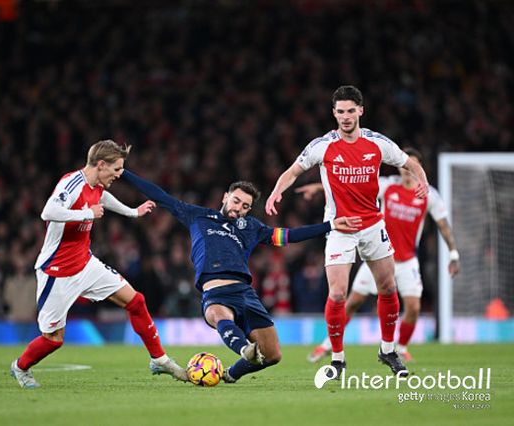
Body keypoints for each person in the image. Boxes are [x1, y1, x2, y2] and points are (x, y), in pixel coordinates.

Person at [121, 168, 361, 383]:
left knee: (273, 354)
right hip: (216, 291)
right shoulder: (198, 216)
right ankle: (244, 349)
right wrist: (124, 173)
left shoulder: (252, 227)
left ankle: (231, 374)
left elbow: (288, 236)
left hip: (246, 294)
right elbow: (160, 196)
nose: (239, 209)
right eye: (236, 201)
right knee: (217, 314)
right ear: (225, 197)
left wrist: (329, 225)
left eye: (245, 206)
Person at [265, 85, 429, 379]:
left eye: (351, 110)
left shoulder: (377, 143)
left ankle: (388, 350)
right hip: (340, 227)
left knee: (388, 287)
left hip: (373, 225)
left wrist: (423, 182)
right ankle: (338, 359)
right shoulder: (323, 145)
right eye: (340, 111)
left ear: (360, 111)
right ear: (334, 113)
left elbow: (410, 163)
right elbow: (293, 171)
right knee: (338, 293)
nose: (346, 117)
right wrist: (277, 191)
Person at [9, 140, 187, 389]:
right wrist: (86, 214)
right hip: (57, 272)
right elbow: (48, 212)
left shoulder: (97, 186)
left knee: (136, 301)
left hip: (86, 264)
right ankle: (20, 367)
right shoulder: (71, 184)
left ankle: (159, 359)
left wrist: (133, 212)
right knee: (53, 340)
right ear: (101, 164)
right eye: (116, 169)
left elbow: (103, 198)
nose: (119, 174)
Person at [302, 148, 460, 363]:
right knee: (352, 302)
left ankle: (401, 348)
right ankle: (327, 344)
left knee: (413, 307)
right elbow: (350, 187)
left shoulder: (428, 194)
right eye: (404, 167)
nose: (407, 171)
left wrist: (453, 253)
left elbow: (443, 225)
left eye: (411, 167)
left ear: (418, 168)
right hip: (379, 258)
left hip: (407, 261)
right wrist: (319, 188)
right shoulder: (388, 186)